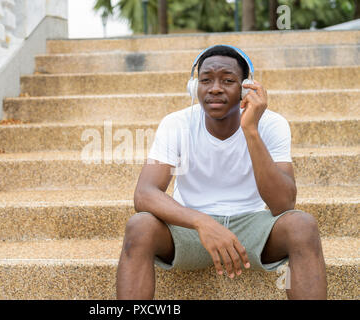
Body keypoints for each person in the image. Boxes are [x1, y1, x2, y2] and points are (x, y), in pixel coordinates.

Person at [116, 45, 327, 300]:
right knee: (139, 226)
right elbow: (145, 194)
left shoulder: (272, 124)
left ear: (245, 88)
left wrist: (250, 130)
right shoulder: (177, 123)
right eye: (206, 80)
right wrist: (202, 222)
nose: (215, 88)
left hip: (253, 227)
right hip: (191, 232)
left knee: (303, 226)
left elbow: (283, 204)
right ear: (194, 88)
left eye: (227, 80)